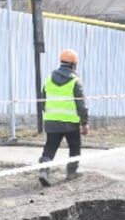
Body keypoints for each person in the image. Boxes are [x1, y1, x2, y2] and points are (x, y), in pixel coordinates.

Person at [38, 48, 89, 187]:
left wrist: (48, 115)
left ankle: (44, 170)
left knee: (50, 147)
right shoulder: (75, 81)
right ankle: (71, 172)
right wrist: (84, 123)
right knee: (74, 147)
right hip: (70, 123)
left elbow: (43, 101)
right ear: (74, 65)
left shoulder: (49, 79)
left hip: (52, 121)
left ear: (61, 63)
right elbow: (81, 104)